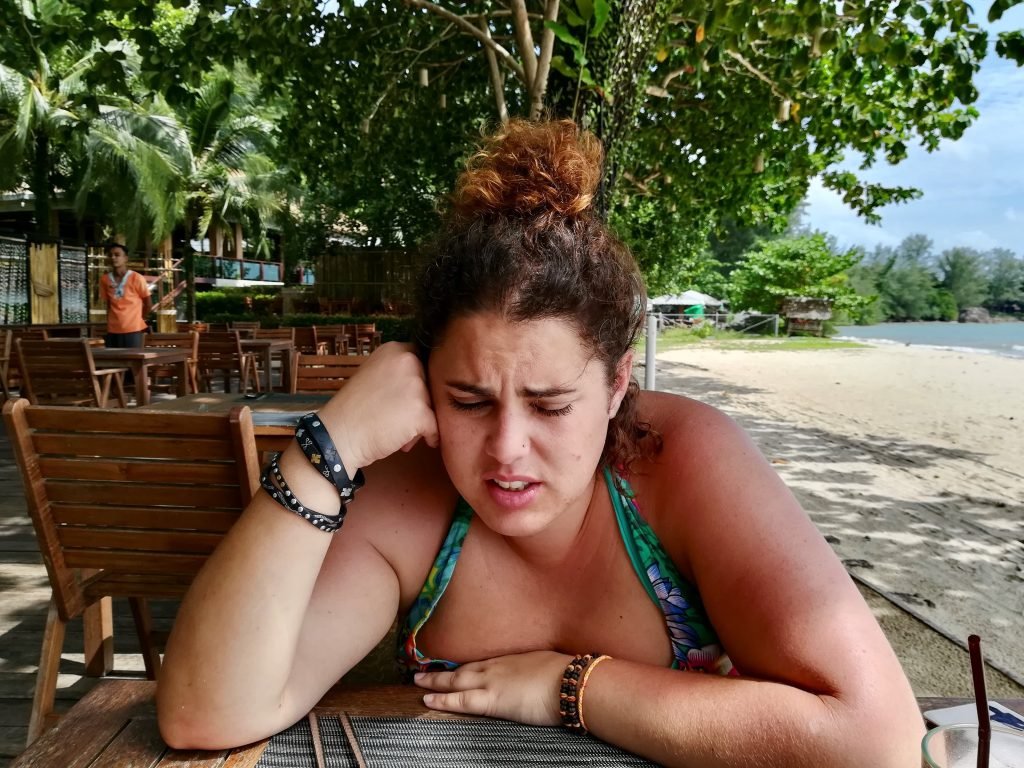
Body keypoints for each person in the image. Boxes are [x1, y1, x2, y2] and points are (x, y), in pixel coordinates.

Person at [157, 120, 923, 766]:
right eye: (469, 401)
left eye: (551, 405)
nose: (507, 450)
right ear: (423, 385)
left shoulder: (682, 461)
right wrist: (330, 447)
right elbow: (205, 713)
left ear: (617, 384)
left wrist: (571, 686)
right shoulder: (410, 490)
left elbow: (877, 740)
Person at [101, 242, 151, 348]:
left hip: (133, 329)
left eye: (117, 255)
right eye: (110, 255)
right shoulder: (104, 279)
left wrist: (139, 319)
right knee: (113, 358)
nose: (113, 257)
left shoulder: (137, 278)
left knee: (133, 357)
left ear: (125, 258)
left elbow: (148, 303)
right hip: (112, 330)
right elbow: (109, 305)